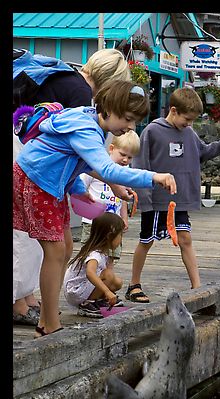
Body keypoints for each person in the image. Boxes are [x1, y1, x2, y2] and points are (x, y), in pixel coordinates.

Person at [13, 80, 177, 337]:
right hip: (36, 181)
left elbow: (72, 159)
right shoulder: (87, 128)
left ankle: (46, 319)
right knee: (55, 250)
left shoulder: (90, 121)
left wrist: (94, 188)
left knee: (66, 246)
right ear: (109, 109)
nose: (130, 127)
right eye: (128, 119)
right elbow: (106, 167)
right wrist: (153, 177)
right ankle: (49, 325)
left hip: (51, 184)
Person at [13, 48, 132, 326]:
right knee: (36, 242)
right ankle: (25, 304)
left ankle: (28, 298)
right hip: (35, 169)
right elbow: (79, 152)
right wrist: (114, 184)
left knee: (41, 241)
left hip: (29, 157)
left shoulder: (66, 76)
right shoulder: (80, 95)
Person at [125, 87, 220, 303]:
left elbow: (203, 152)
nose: (189, 124)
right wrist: (144, 198)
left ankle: (197, 286)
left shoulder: (189, 133)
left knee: (186, 239)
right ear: (174, 110)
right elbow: (140, 165)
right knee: (146, 241)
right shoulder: (152, 131)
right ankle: (134, 284)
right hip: (157, 200)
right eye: (187, 119)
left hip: (179, 200)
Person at [80, 130, 141, 272]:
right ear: (111, 148)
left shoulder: (125, 171)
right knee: (90, 254)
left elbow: (123, 197)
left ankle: (106, 283)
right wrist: (86, 201)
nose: (126, 160)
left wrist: (124, 217)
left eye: (130, 157)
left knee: (111, 257)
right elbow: (82, 185)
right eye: (123, 155)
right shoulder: (99, 167)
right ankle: (88, 283)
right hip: (94, 221)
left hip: (114, 223)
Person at [64, 213, 125, 317]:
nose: (121, 239)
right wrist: (107, 291)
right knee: (108, 275)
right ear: (109, 236)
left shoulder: (103, 253)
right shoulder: (95, 254)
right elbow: (90, 273)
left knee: (117, 282)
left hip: (82, 288)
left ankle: (98, 300)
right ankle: (88, 304)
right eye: (120, 235)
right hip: (75, 291)